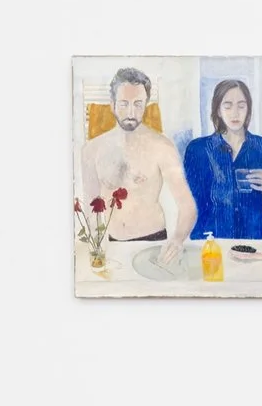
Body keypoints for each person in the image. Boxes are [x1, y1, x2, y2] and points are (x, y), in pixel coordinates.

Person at [80, 68, 193, 267]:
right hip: (112, 245)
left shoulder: (163, 147)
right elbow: (90, 207)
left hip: (154, 243)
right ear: (113, 104)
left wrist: (177, 240)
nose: (131, 112)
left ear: (146, 104)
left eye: (138, 104)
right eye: (124, 104)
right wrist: (95, 248)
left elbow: (187, 205)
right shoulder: (92, 150)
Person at [183, 78, 262, 240]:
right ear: (218, 110)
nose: (235, 113)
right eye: (227, 106)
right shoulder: (198, 149)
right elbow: (188, 202)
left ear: (248, 109)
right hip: (210, 241)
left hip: (253, 241)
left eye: (241, 106)